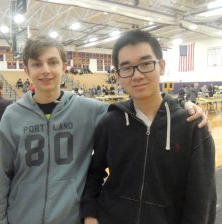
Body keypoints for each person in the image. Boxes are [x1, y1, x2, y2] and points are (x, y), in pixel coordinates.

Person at [0, 35, 207, 224]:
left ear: (64, 66)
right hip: (22, 217)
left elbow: (135, 111)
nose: (45, 70)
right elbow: (0, 180)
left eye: (53, 62)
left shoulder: (90, 110)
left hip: (71, 218)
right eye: (37, 64)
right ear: (26, 69)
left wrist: (183, 106)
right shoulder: (13, 115)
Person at [81, 30, 216, 224]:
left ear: (161, 66)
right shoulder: (109, 122)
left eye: (145, 64)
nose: (137, 75)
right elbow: (94, 173)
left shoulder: (193, 125)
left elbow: (202, 197)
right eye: (126, 68)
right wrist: (90, 214)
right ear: (118, 75)